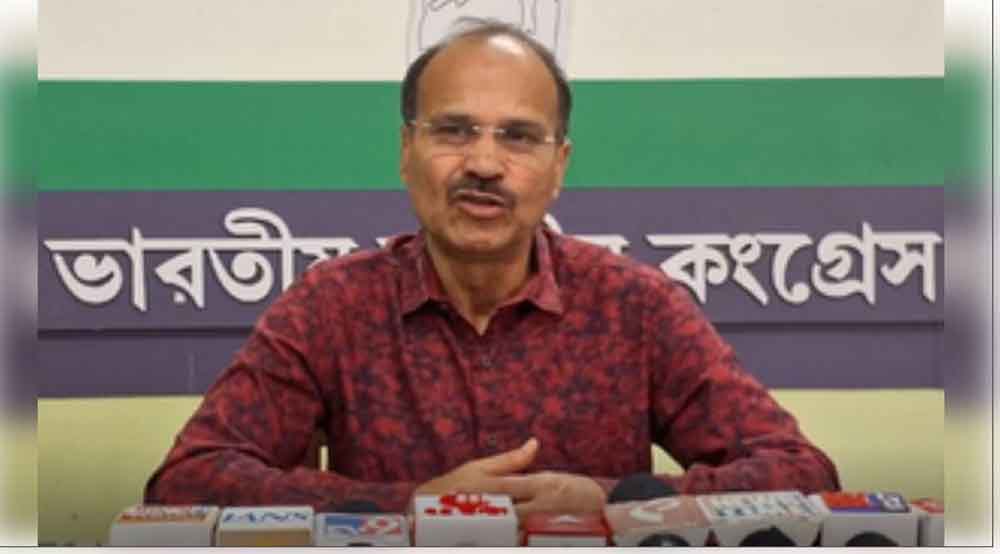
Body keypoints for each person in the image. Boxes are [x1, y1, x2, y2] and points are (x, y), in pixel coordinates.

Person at [144, 20, 839, 516]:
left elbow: (803, 474)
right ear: (406, 152)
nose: (482, 163)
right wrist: (412, 507)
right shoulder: (333, 306)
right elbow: (186, 482)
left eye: (518, 137)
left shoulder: (634, 304)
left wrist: (611, 503)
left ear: (558, 167)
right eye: (453, 131)